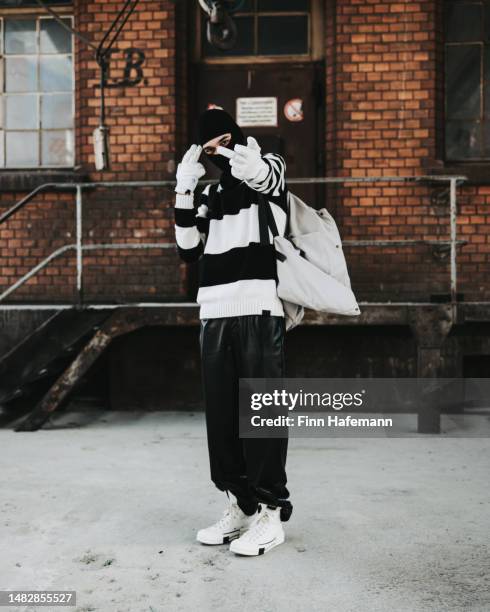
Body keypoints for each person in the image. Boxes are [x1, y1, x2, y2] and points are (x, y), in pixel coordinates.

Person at [173, 108, 292, 556]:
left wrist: (249, 160)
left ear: (238, 138)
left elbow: (267, 181)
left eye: (225, 142)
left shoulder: (271, 166)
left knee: (261, 415)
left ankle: (271, 513)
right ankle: (239, 505)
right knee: (222, 419)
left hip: (260, 309)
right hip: (215, 313)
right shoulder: (210, 195)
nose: (219, 153)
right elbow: (188, 250)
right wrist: (185, 187)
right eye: (209, 150)